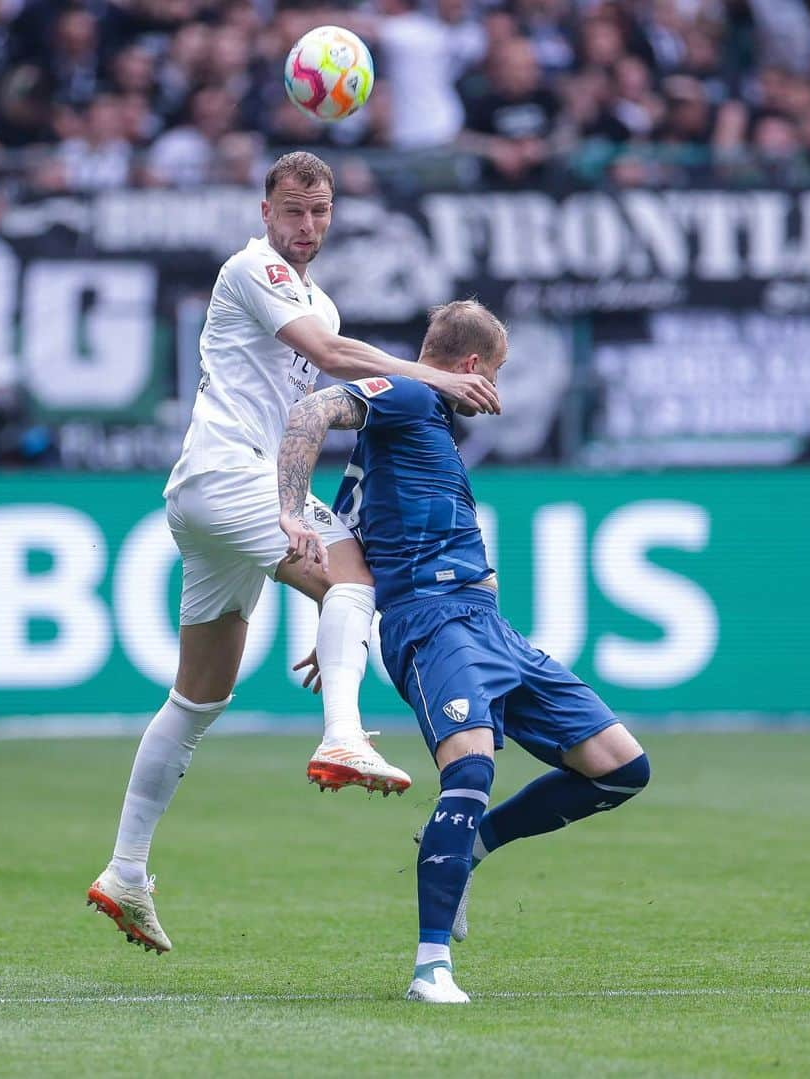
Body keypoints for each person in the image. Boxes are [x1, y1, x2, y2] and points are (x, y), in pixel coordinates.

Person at [87, 153, 501, 955]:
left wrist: (327, 614)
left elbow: (317, 407)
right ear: (266, 208)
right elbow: (333, 357)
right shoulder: (251, 268)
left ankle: (126, 870)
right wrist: (433, 377)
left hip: (215, 496)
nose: (306, 227)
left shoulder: (321, 296)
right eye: (294, 211)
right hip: (227, 470)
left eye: (320, 213)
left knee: (199, 695)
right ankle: (342, 731)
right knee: (358, 573)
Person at [276, 300, 650, 1004]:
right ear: (472, 367)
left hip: (489, 626)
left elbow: (359, 535)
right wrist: (290, 509)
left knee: (621, 768)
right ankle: (431, 968)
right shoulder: (414, 395)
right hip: (435, 623)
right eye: (498, 375)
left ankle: (469, 847)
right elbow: (311, 411)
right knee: (470, 766)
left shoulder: (425, 431)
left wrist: (342, 624)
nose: (498, 394)